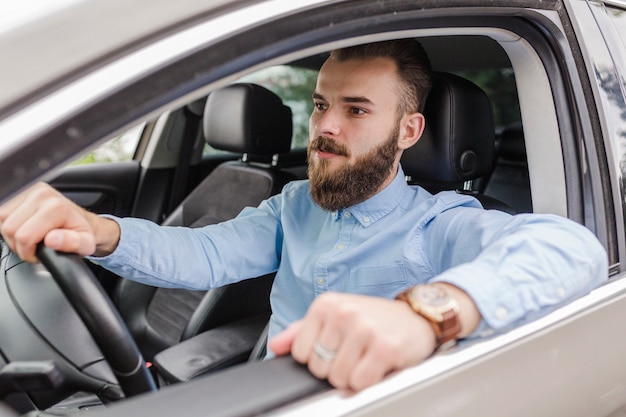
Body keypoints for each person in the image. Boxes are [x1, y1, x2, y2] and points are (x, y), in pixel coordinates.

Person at [0, 39, 607, 392]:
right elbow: (207, 254)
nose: (325, 128)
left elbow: (572, 248)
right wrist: (101, 233)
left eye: (356, 109)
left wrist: (427, 314)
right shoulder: (294, 205)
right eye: (320, 106)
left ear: (408, 131)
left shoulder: (440, 223)